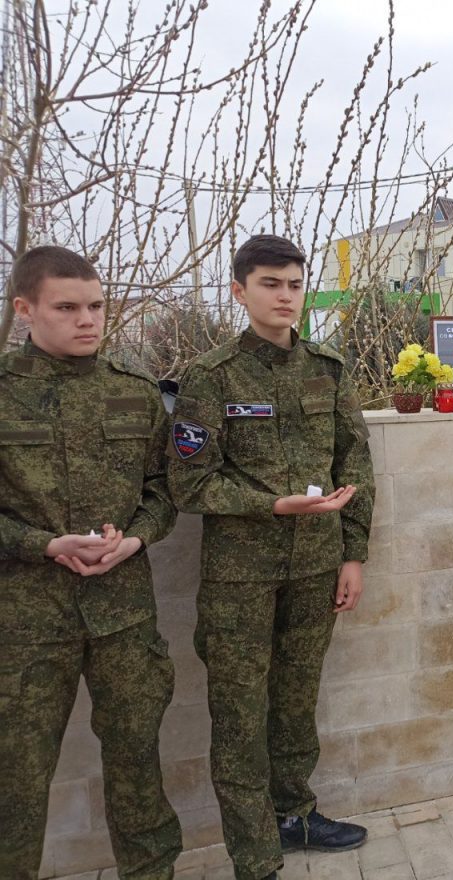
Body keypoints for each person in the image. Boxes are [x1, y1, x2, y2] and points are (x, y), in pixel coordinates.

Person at [167, 235, 375, 880]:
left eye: (293, 284)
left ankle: (296, 814)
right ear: (240, 291)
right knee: (238, 711)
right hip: (241, 578)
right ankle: (255, 854)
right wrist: (272, 505)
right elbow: (190, 484)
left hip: (316, 566)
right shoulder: (210, 377)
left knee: (294, 700)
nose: (285, 296)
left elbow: (355, 464)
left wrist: (354, 555)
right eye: (269, 284)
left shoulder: (329, 369)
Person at [0, 246, 181, 878]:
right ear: (25, 310)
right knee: (15, 780)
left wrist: (135, 538)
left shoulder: (133, 392)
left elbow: (164, 491)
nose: (87, 320)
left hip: (123, 617)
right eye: (67, 307)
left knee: (137, 764)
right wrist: (42, 544)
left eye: (97, 306)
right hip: (26, 626)